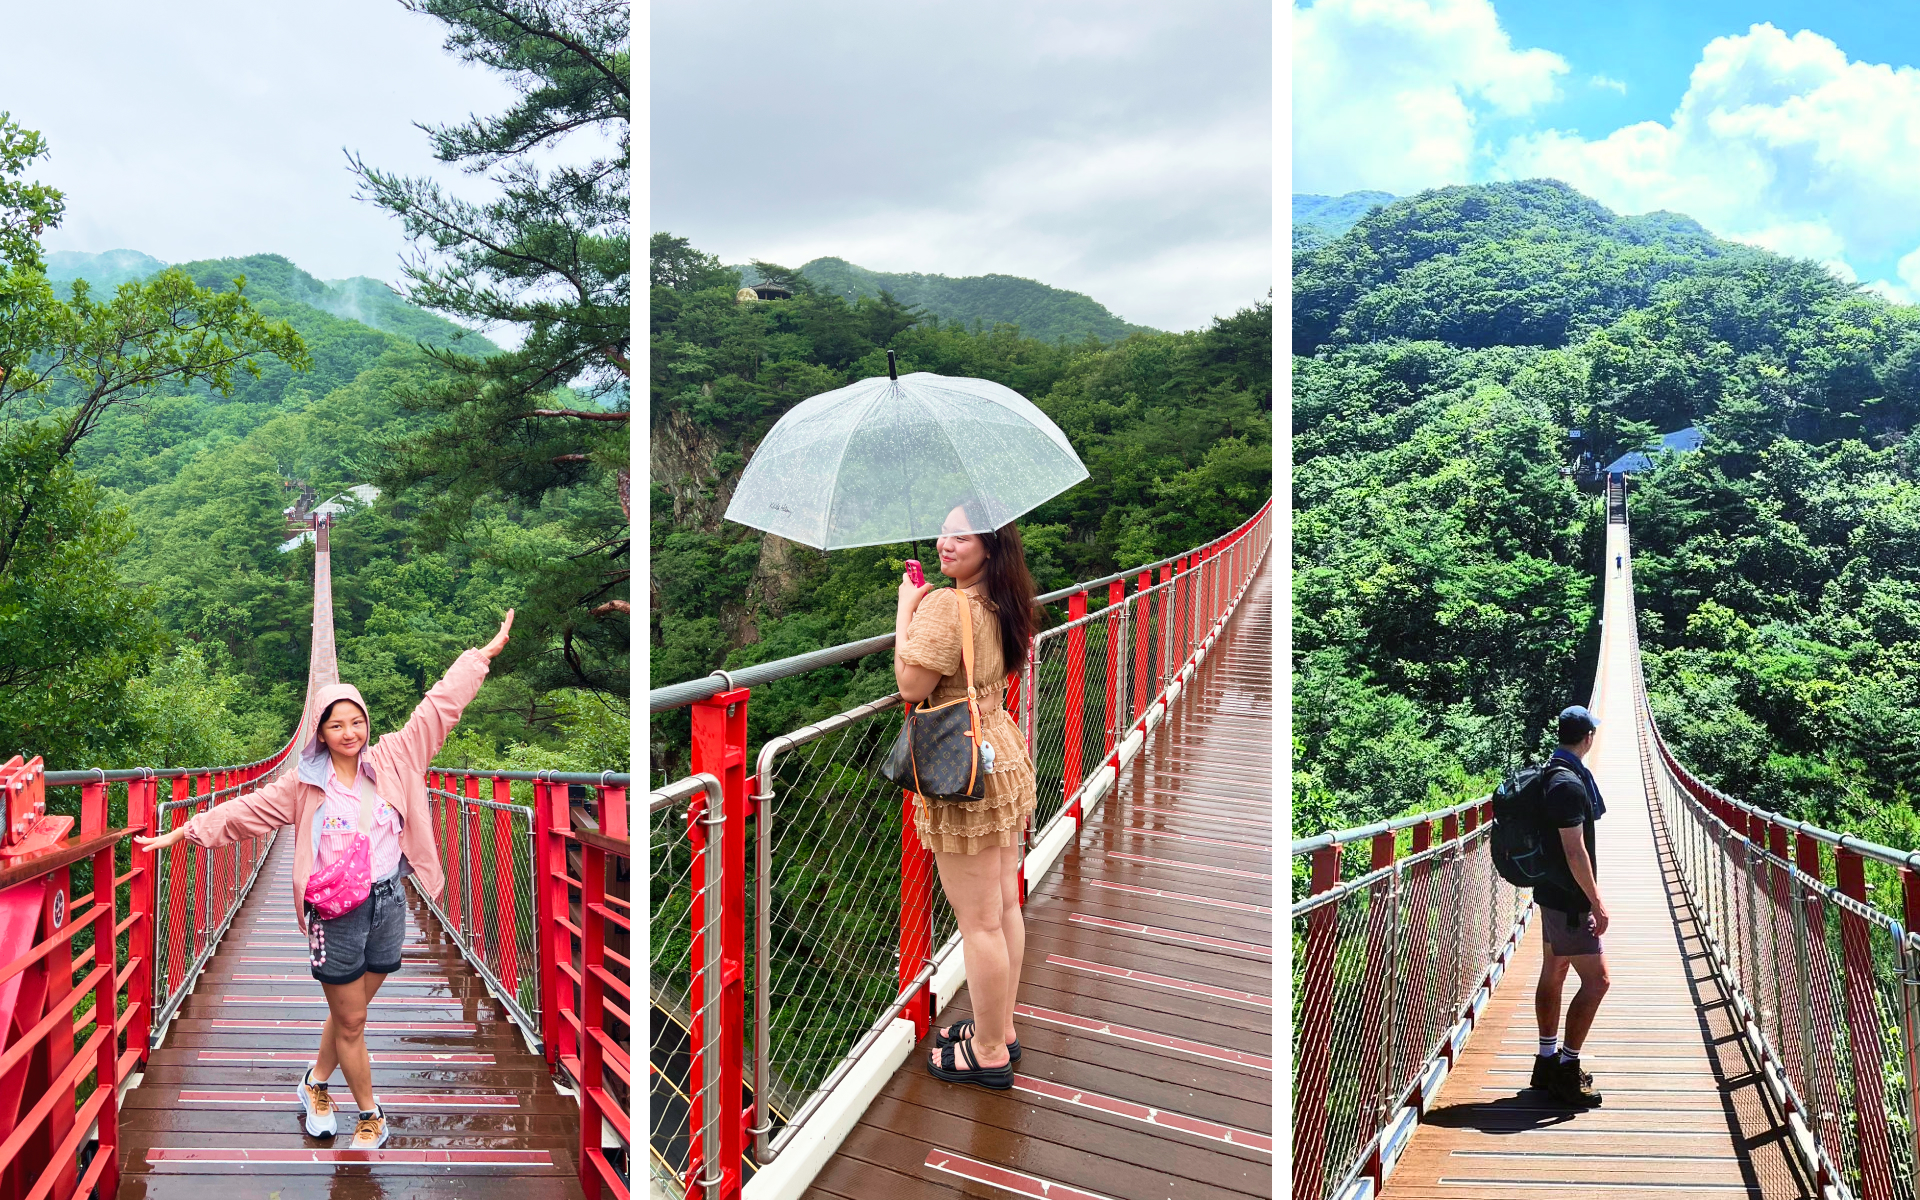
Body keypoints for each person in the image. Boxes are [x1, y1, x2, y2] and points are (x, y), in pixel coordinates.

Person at [134, 611, 514, 1146]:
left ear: (366, 720)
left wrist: (481, 656)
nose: (349, 733)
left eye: (355, 721)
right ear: (320, 732)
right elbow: (248, 810)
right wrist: (187, 831)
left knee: (349, 1012)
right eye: (336, 725)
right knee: (353, 1020)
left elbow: (439, 707)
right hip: (333, 913)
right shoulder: (302, 784)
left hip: (387, 904)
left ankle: (313, 1081)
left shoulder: (398, 757)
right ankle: (371, 1116)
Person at [894, 505, 1040, 1090]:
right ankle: (999, 1028)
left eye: (962, 534)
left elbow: (912, 684)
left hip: (964, 771)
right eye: (943, 529)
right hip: (1003, 752)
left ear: (991, 543)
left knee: (979, 923)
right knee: (1004, 906)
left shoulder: (944, 606)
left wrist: (907, 612)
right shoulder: (1003, 599)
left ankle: (986, 1052)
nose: (945, 541)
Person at [1531, 704, 1610, 1107]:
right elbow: (1575, 851)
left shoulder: (1552, 772)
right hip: (1570, 902)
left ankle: (1546, 1062)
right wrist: (1596, 903)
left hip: (1551, 893)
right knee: (1598, 982)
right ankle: (1565, 1068)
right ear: (1588, 738)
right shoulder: (1568, 784)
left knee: (1556, 969)